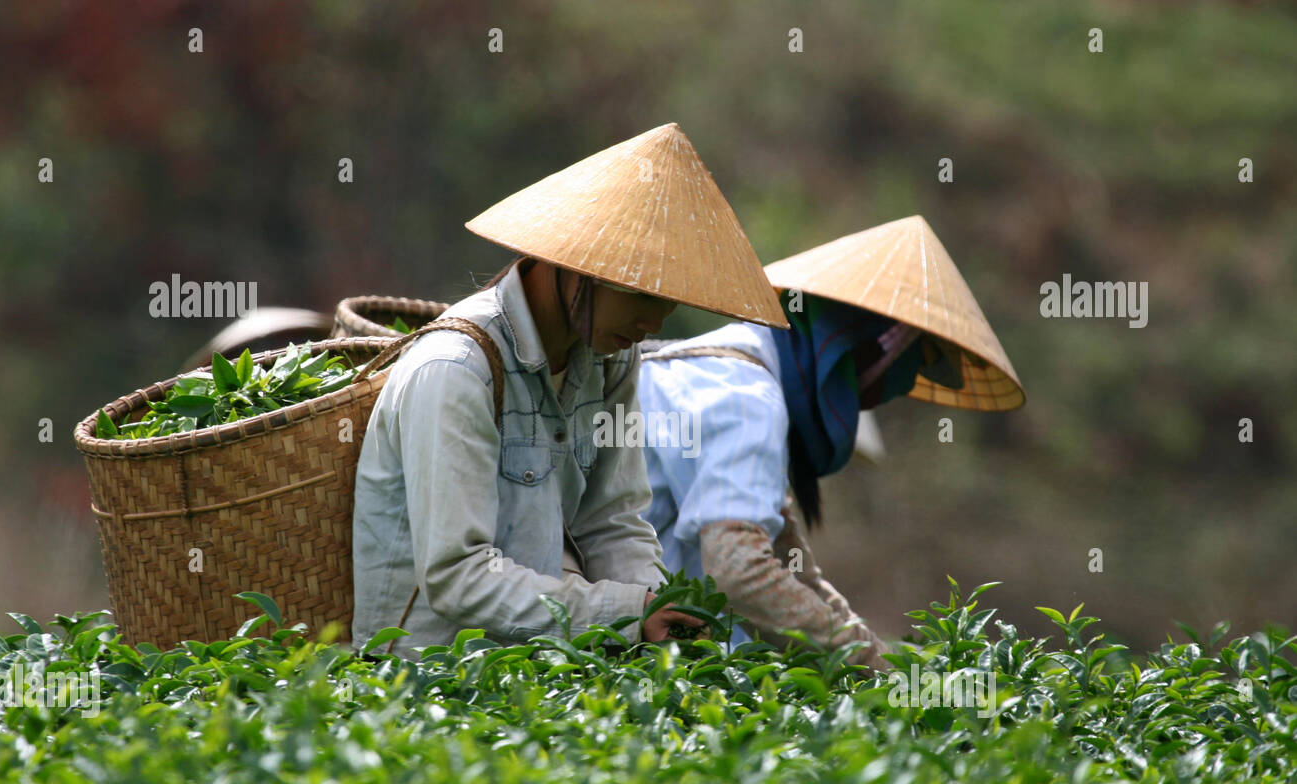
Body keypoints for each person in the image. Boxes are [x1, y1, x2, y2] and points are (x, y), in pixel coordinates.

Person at [351, 123, 788, 658]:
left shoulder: (611, 362)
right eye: (642, 295)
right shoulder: (457, 370)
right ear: (579, 266)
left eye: (669, 303)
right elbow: (456, 575)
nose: (653, 323)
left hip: (543, 673)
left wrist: (660, 612)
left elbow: (614, 520)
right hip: (431, 680)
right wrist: (625, 615)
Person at [637, 215, 1027, 669]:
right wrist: (868, 668)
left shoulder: (740, 368)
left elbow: (791, 566)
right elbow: (741, 574)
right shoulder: (748, 397)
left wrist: (883, 665)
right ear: (862, 349)